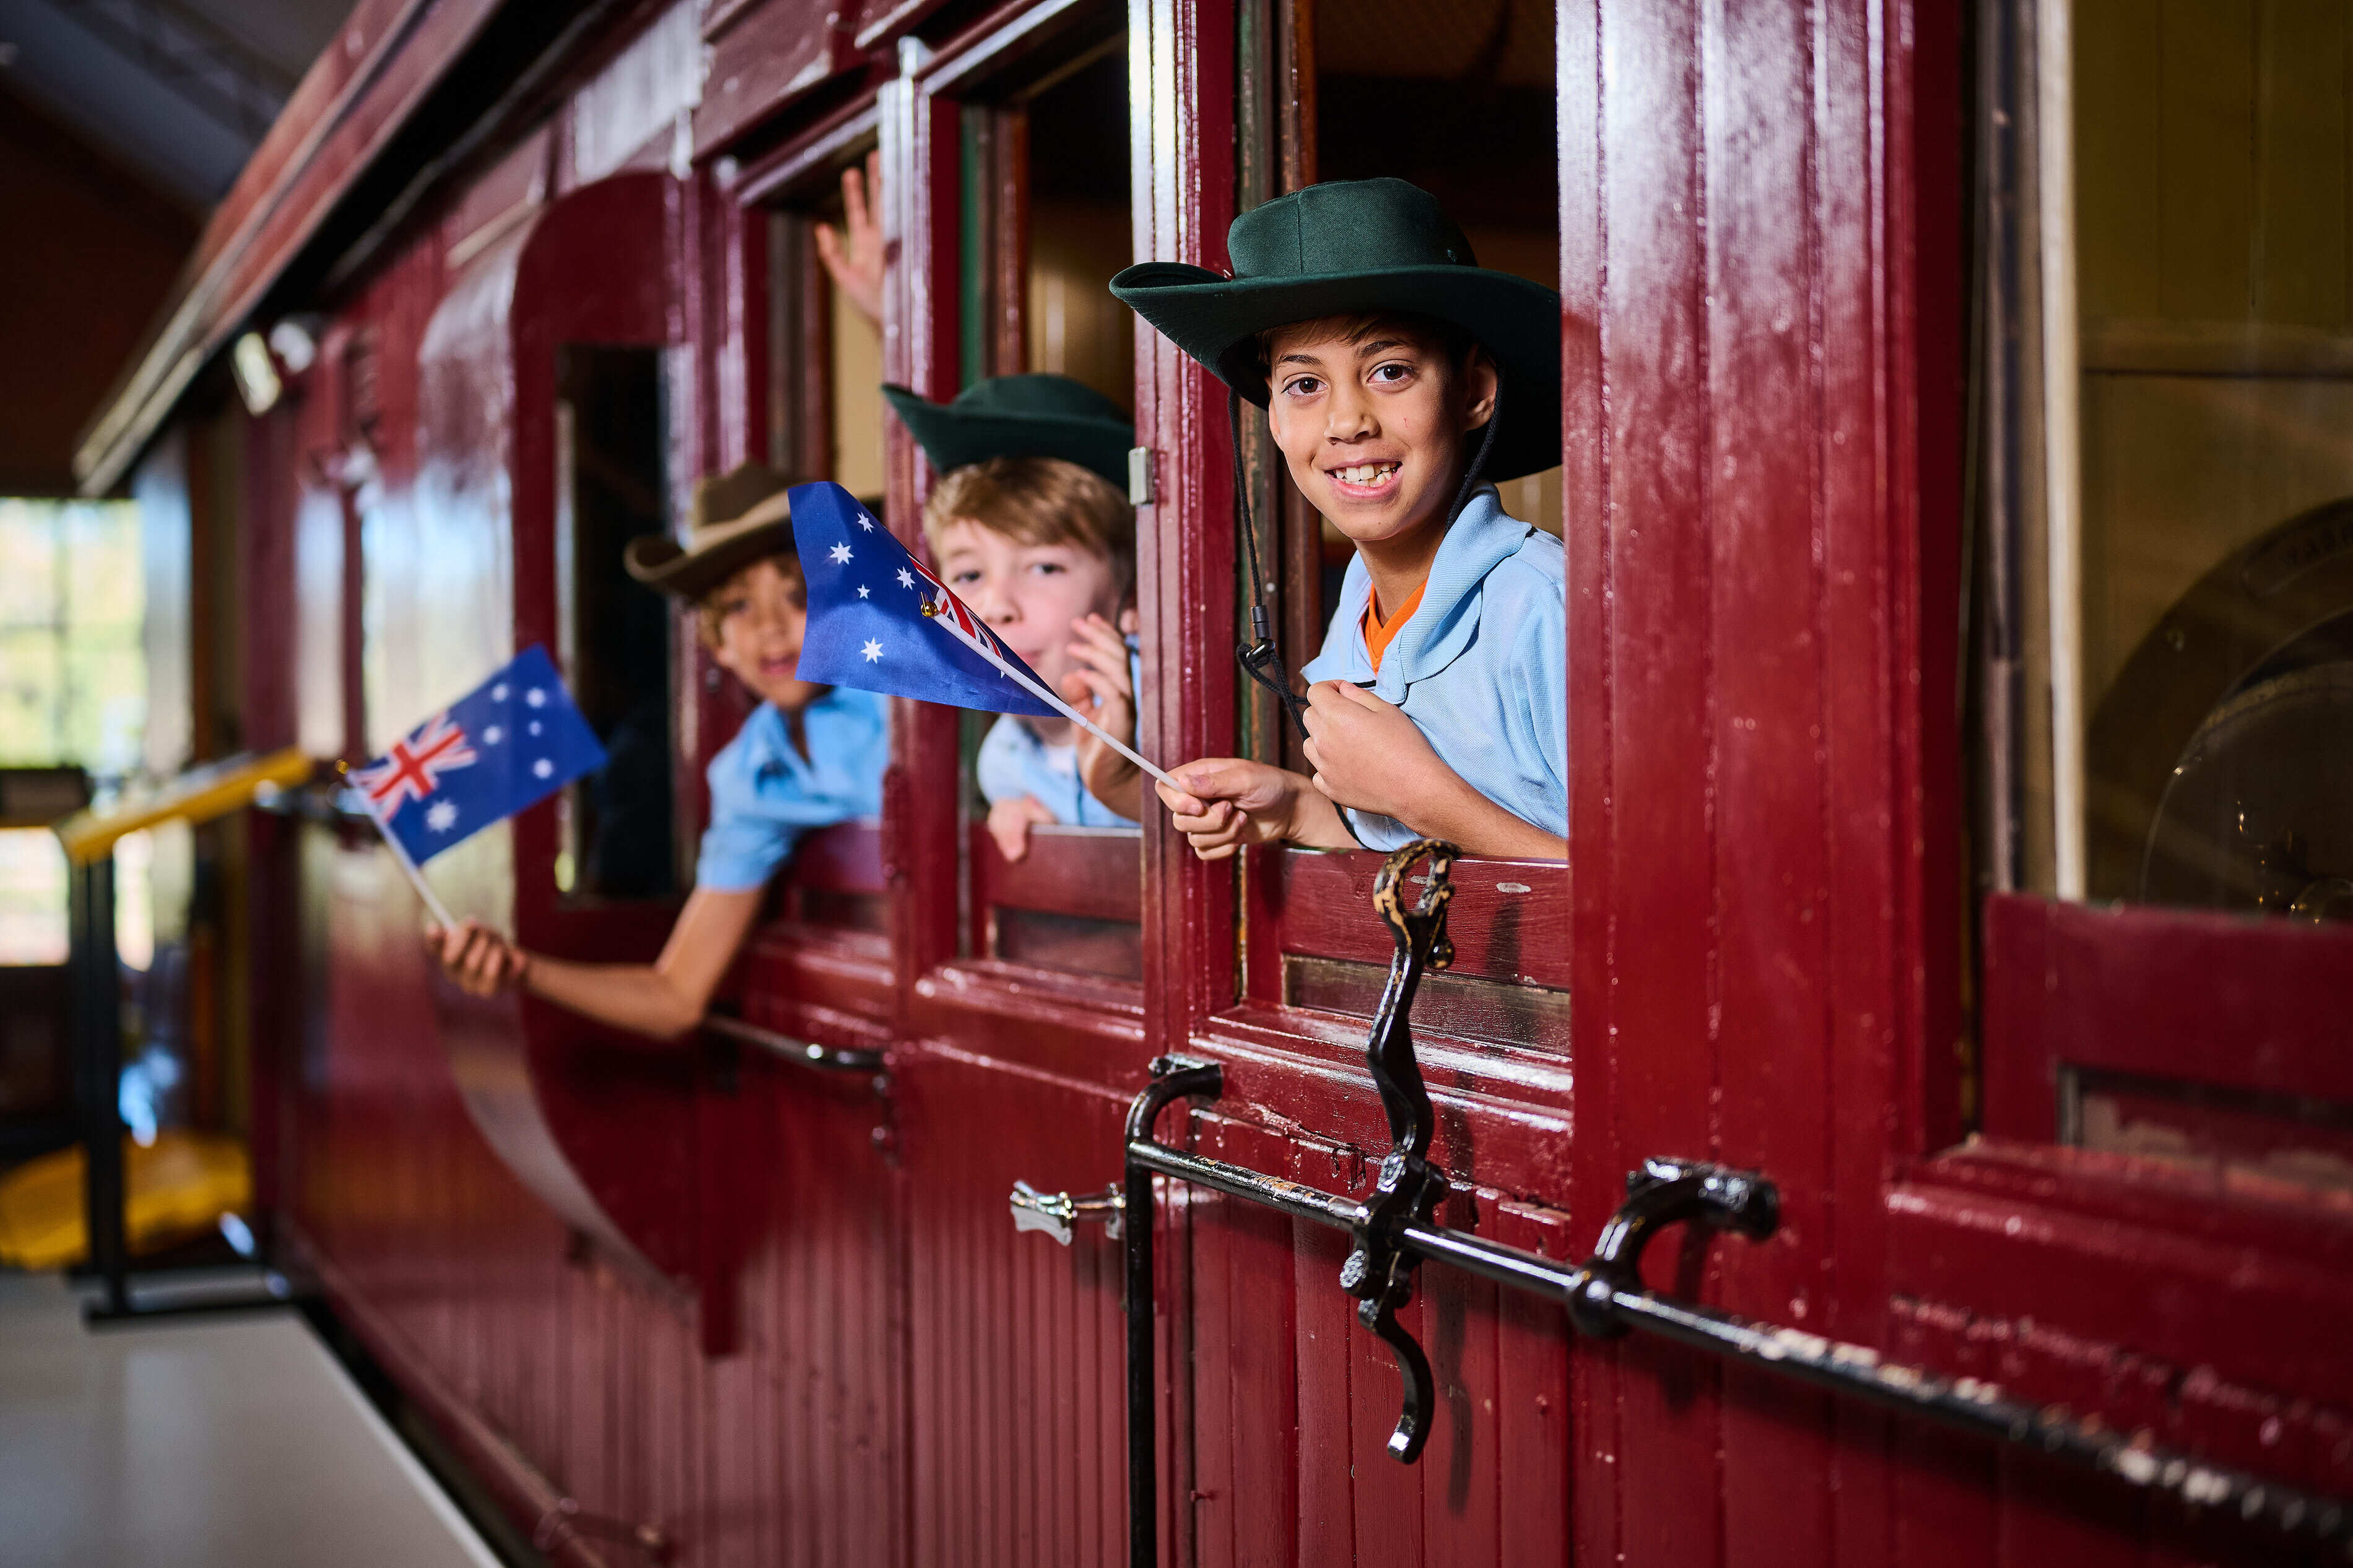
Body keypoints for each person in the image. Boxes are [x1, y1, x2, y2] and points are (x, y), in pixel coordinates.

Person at [1110, 176, 1567, 860]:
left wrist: (1418, 792)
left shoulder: (1543, 604)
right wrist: (1299, 808)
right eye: (1303, 385)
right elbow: (1413, 853)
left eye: (1389, 371)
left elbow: (1656, 898)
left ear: (1472, 391)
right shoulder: (1359, 611)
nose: (1347, 421)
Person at [427, 464, 889, 1037]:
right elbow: (675, 997)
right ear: (717, 642)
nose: (770, 627)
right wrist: (523, 971)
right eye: (741, 606)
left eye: (797, 596)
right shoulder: (750, 775)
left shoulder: (901, 697)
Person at [882, 375, 1146, 863]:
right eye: (969, 573)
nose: (996, 606)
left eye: (1045, 567)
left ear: (1133, 598)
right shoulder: (1003, 763)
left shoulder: (1172, 722)